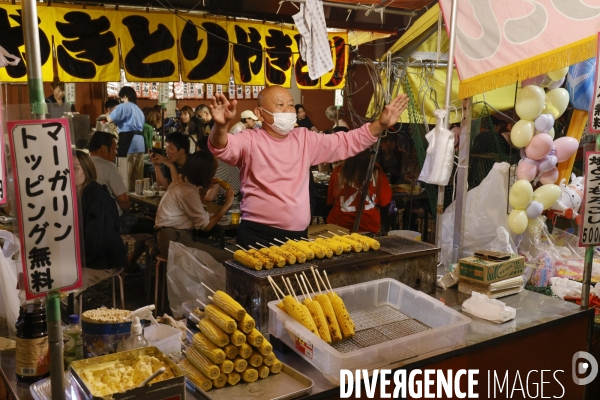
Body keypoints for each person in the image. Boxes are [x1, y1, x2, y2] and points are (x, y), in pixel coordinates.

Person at [208, 86, 408, 246]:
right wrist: (221, 125)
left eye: (290, 105)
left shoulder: (304, 138)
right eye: (280, 105)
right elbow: (222, 147)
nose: (288, 110)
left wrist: (380, 124)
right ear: (260, 114)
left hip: (297, 235)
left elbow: (345, 142)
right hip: (258, 234)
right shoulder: (250, 140)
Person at [154, 151, 234, 261]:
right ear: (204, 173)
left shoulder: (182, 181)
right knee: (229, 259)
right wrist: (227, 205)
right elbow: (206, 226)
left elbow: (195, 206)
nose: (214, 176)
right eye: (212, 173)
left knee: (219, 247)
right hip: (175, 240)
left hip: (174, 237)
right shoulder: (187, 190)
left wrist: (204, 191)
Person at [74, 150, 127, 286]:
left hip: (103, 261)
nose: (69, 173)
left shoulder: (98, 198)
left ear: (87, 170)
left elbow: (98, 241)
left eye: (75, 168)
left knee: (63, 291)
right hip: (82, 258)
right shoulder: (71, 195)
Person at [326, 149, 392, 234]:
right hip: (368, 224)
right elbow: (385, 201)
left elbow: (331, 200)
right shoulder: (376, 170)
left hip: (340, 223)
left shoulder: (338, 170)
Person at [106, 86, 145, 191]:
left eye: (121, 98)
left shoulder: (123, 106)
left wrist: (106, 115)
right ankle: (138, 203)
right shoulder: (139, 110)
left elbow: (109, 119)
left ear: (125, 96)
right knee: (137, 177)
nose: (120, 100)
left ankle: (126, 202)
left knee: (124, 176)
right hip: (140, 143)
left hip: (128, 142)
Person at [88, 131, 130, 214]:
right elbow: (123, 201)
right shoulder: (109, 167)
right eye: (114, 149)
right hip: (110, 219)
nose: (116, 152)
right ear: (103, 149)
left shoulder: (81, 163)